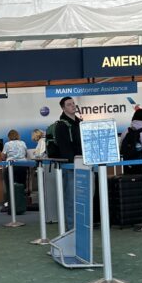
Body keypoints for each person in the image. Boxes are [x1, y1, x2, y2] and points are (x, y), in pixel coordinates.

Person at [50, 97, 82, 228]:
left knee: (81, 198)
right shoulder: (61, 126)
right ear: (63, 108)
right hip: (70, 166)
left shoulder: (79, 123)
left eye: (73, 103)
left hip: (82, 164)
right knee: (70, 199)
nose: (73, 106)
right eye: (69, 104)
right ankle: (71, 228)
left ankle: (80, 226)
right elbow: (65, 149)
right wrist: (73, 163)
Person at [1, 129, 29, 212]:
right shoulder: (22, 143)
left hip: (11, 166)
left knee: (10, 186)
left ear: (9, 136)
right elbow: (26, 154)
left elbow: (3, 156)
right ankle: (21, 205)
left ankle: (11, 206)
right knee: (21, 185)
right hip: (23, 165)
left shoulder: (7, 144)